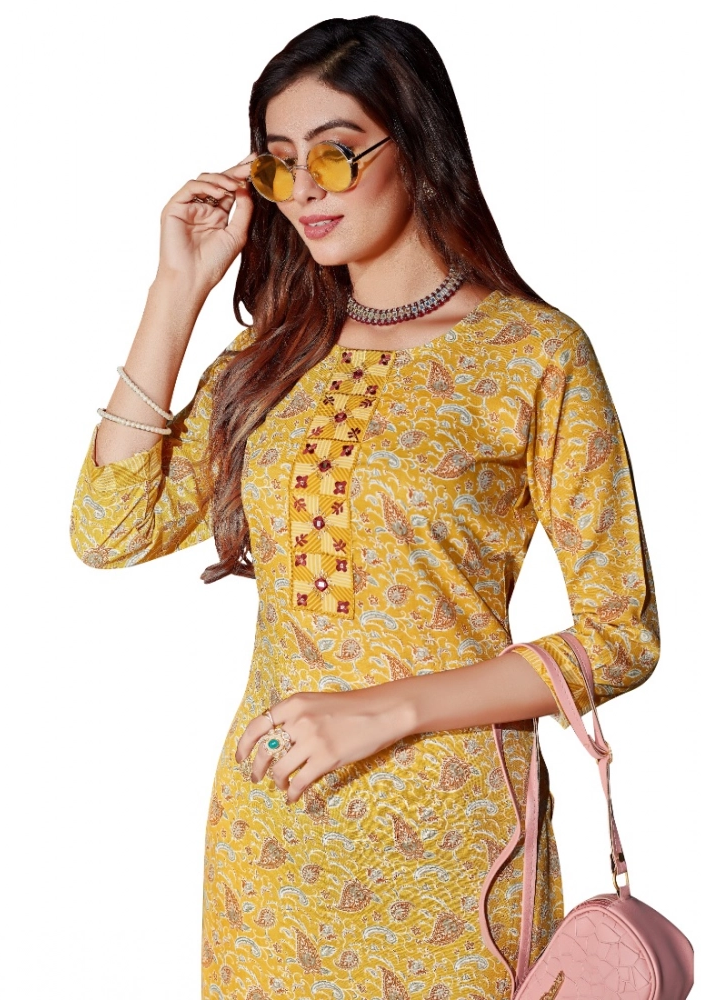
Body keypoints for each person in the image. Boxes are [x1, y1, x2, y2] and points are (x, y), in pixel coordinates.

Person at [68, 15, 659, 999]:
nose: (303, 189)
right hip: (273, 838)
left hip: (452, 841)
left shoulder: (535, 355)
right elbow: (108, 530)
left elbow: (621, 635)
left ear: (416, 147)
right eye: (278, 161)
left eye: (335, 155)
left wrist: (387, 709)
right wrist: (176, 289)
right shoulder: (273, 356)